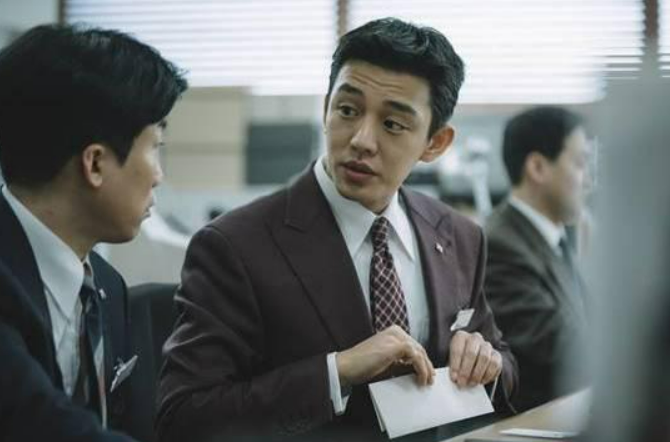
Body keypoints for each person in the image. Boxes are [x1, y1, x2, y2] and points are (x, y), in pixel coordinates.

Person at [156, 17, 517, 442]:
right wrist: (336, 372)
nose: (362, 139)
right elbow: (184, 418)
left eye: (393, 124)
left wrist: (489, 364)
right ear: (326, 108)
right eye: (347, 110)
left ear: (435, 143)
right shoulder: (235, 246)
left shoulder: (458, 236)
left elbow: (505, 367)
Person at [0, 24, 187, 441]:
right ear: (96, 163)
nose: (158, 176)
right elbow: (38, 423)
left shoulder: (105, 285)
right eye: (155, 147)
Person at [484, 106, 590, 412]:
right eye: (580, 163)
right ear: (538, 167)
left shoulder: (554, 238)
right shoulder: (500, 244)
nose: (588, 181)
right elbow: (563, 347)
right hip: (539, 418)